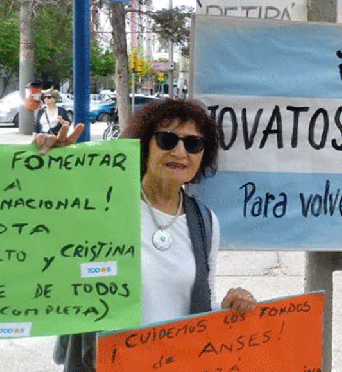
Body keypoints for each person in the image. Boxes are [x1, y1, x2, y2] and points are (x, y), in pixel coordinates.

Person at [34, 98, 257, 371]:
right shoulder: (103, 203)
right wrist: (50, 167)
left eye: (193, 144)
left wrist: (230, 307)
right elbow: (46, 238)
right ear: (145, 145)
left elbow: (200, 305)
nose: (180, 152)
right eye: (166, 140)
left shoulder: (205, 221)